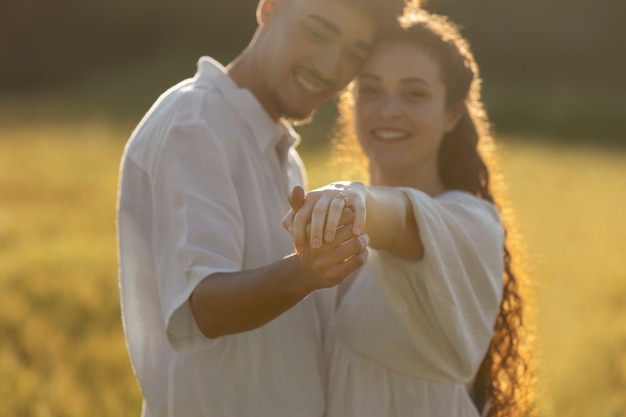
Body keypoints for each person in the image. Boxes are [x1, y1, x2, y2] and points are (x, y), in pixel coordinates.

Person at [116, 0, 406, 416]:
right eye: (317, 33)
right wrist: (307, 272)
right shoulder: (195, 122)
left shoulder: (282, 154)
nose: (330, 67)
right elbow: (205, 307)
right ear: (268, 8)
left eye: (354, 54)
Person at [283, 7, 535, 417]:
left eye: (414, 93)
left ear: (452, 112)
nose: (388, 110)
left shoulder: (469, 223)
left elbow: (400, 219)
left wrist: (351, 195)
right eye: (370, 89)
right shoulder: (341, 223)